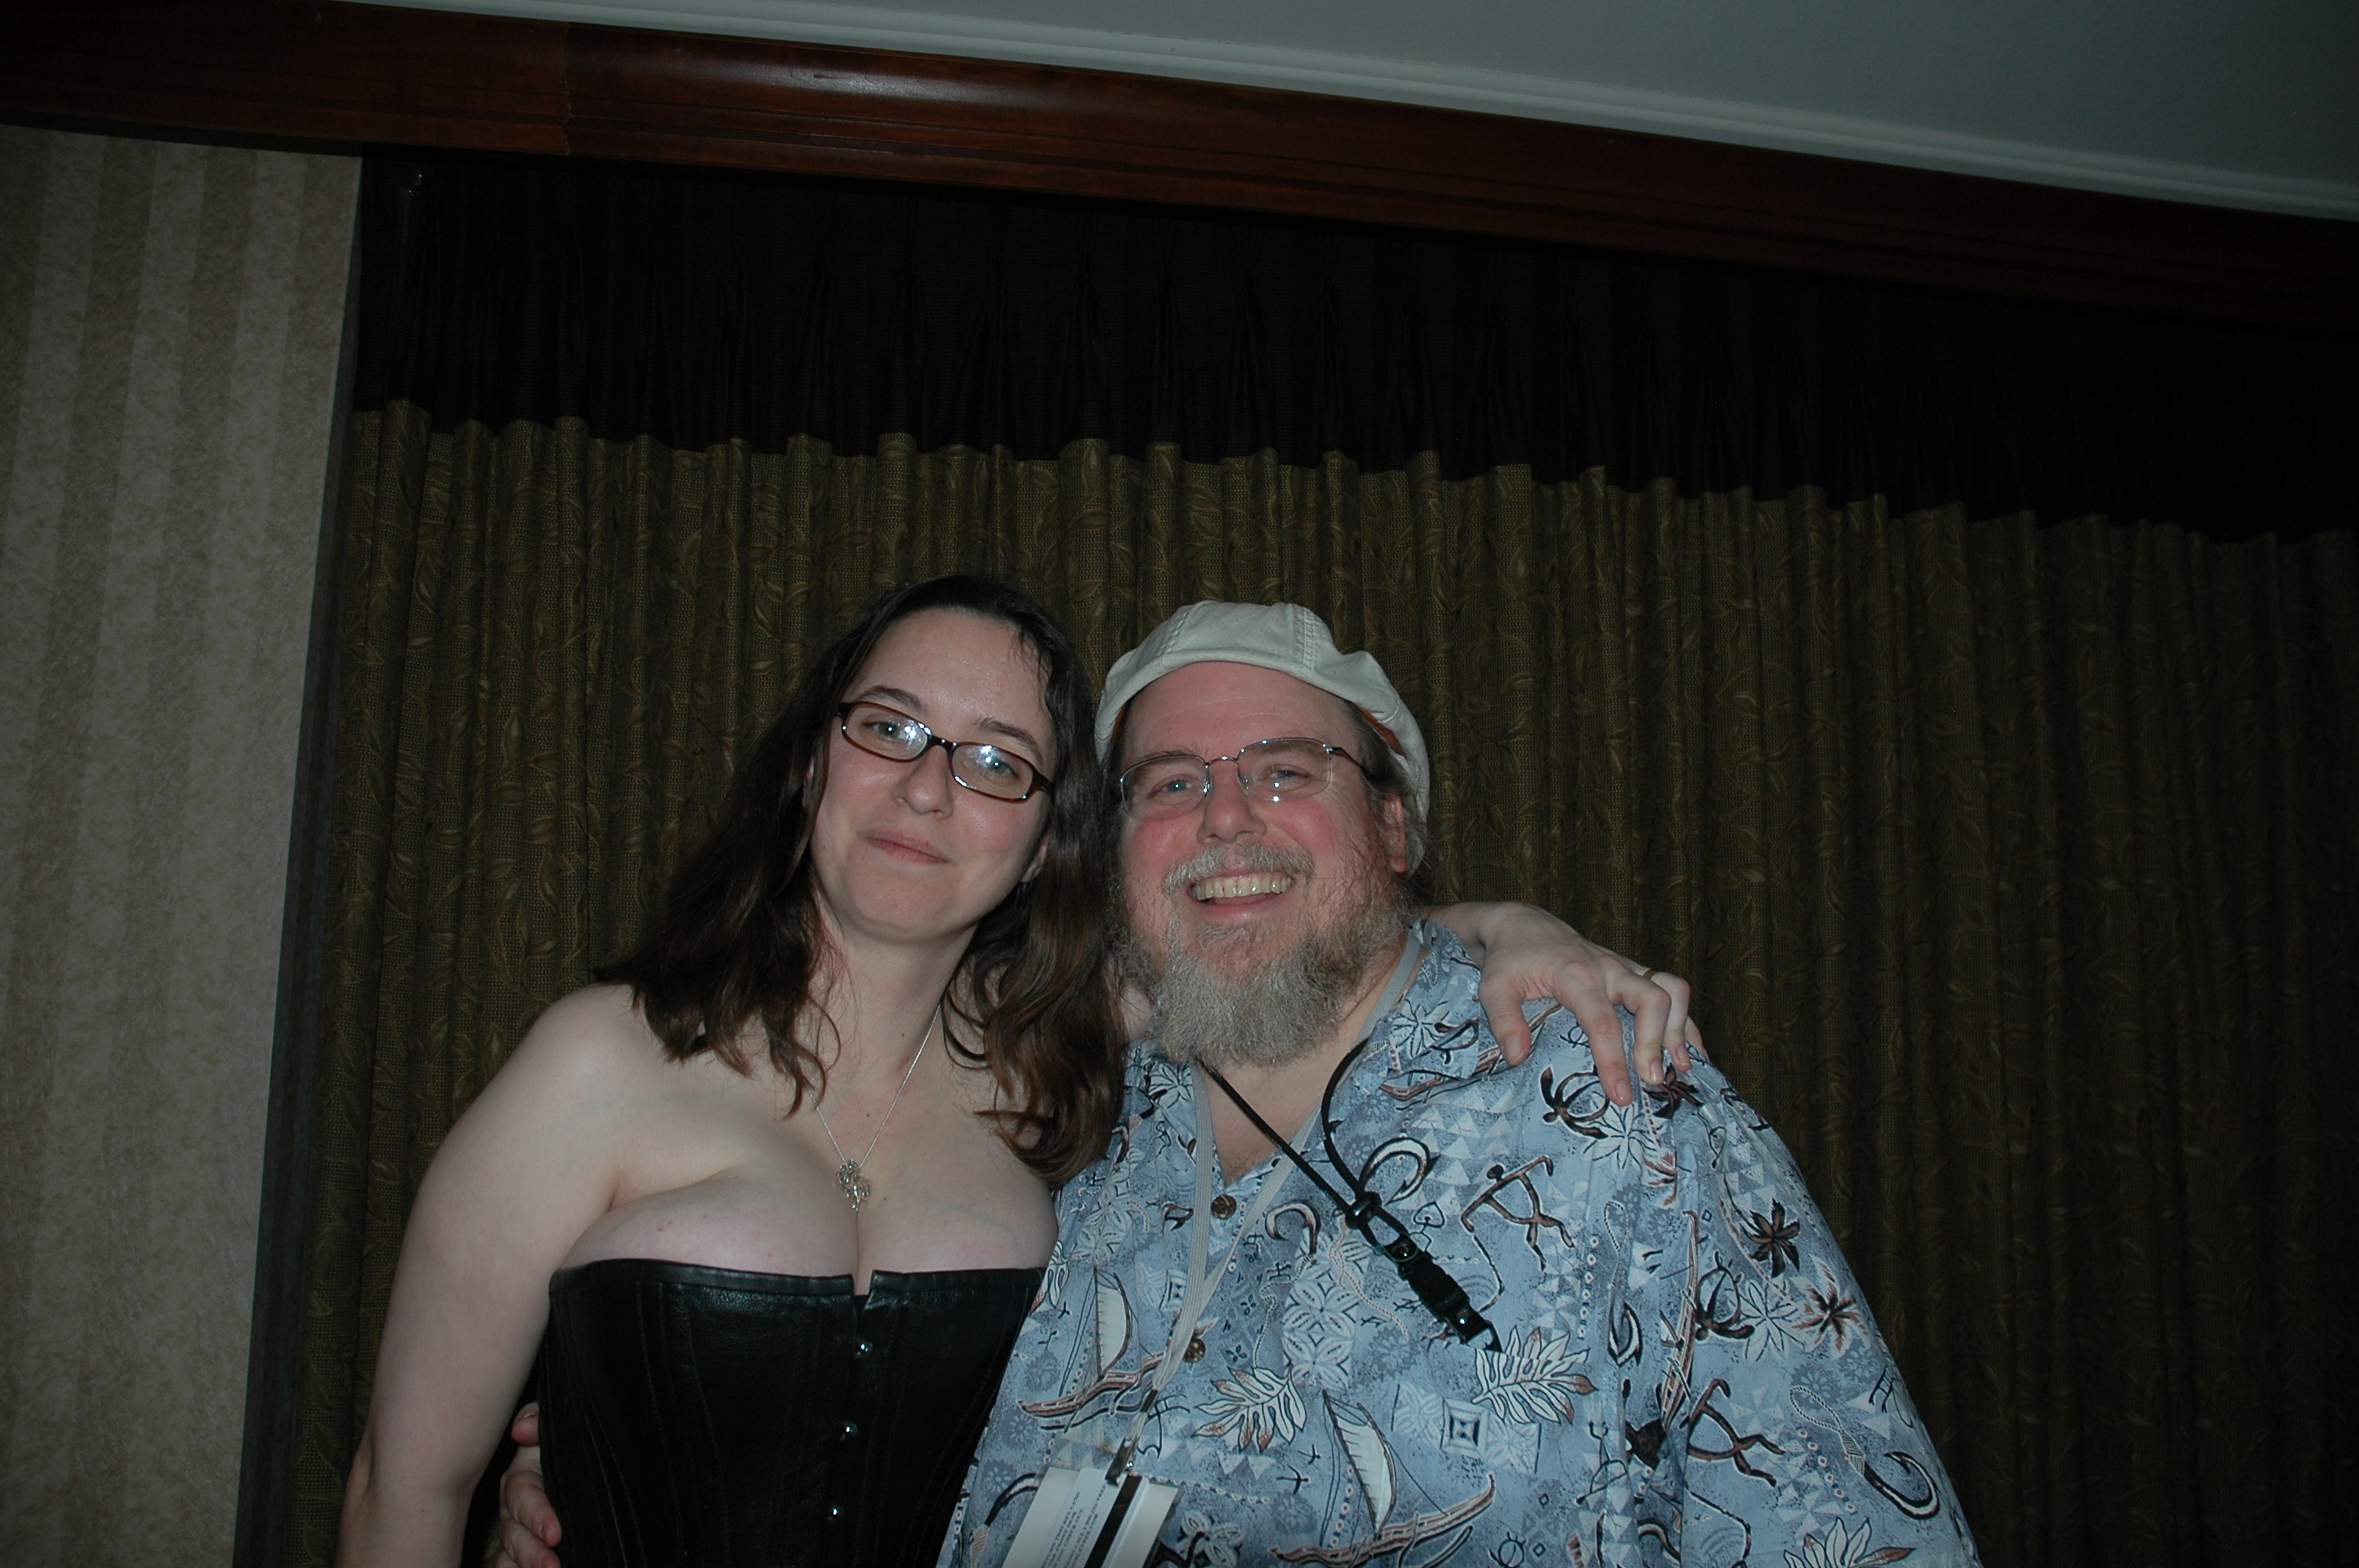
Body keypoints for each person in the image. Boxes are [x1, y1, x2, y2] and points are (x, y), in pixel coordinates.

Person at [339, 575, 1693, 1568]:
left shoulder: (1063, 1063)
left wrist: (1517, 927)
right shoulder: (598, 1060)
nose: (929, 789)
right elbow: (402, 1492)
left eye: (997, 762)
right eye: (890, 729)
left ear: (1048, 839)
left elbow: (1297, 933)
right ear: (812, 762)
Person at [927, 601, 1983, 1566]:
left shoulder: (1614, 1101)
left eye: (1287, 770)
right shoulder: (1056, 1095)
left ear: (1392, 828)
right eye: (1171, 783)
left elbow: (1853, 1531)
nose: (1226, 817)